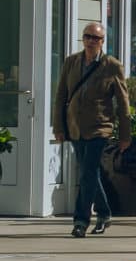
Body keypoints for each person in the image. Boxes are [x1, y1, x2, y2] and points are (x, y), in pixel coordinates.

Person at [51, 22, 129, 238]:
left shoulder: (111, 65)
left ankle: (81, 221)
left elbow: (123, 103)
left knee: (86, 172)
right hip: (75, 128)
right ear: (83, 39)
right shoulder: (71, 62)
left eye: (96, 38)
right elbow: (61, 97)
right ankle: (104, 213)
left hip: (100, 128)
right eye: (88, 37)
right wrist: (59, 127)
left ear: (103, 42)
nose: (91, 41)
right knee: (89, 173)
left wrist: (125, 135)